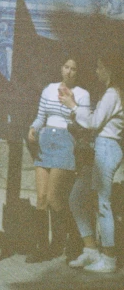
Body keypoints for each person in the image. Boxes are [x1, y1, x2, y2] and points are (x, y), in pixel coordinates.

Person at [59, 53, 124, 273]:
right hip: (99, 148)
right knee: (76, 198)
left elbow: (94, 123)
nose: (96, 71)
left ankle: (109, 258)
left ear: (109, 70)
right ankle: (91, 250)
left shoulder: (112, 94)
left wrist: (73, 106)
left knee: (102, 204)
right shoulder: (112, 94)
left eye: (99, 67)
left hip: (106, 147)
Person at [26, 57, 90, 262]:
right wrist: (33, 128)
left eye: (74, 69)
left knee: (55, 197)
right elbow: (41, 115)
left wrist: (71, 104)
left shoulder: (82, 94)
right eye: (66, 67)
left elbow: (83, 122)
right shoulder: (49, 89)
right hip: (46, 141)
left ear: (78, 72)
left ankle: (68, 239)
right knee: (41, 198)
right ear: (61, 68)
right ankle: (41, 247)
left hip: (65, 141)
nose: (69, 72)